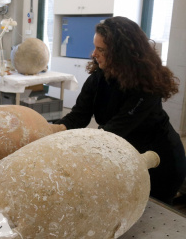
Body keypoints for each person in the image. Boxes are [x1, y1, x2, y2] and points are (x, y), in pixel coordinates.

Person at [53, 16, 186, 205]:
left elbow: (113, 132)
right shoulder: (98, 78)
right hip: (124, 157)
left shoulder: (145, 88)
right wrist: (49, 131)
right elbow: (78, 117)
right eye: (95, 47)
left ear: (121, 54)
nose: (93, 54)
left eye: (101, 50)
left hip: (159, 162)